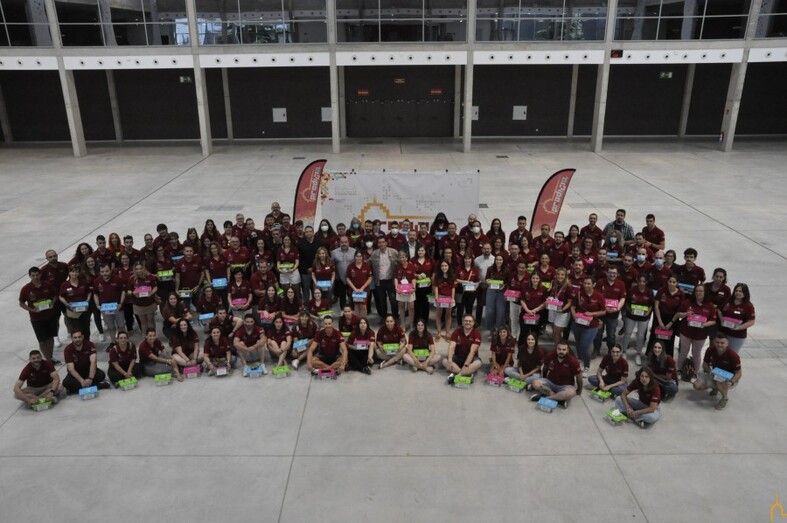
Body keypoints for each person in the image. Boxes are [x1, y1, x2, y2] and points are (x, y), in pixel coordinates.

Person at [19, 267, 59, 361]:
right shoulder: (26, 289)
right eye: (33, 275)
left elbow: (55, 295)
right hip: (37, 319)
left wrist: (52, 303)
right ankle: (48, 360)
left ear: (40, 274)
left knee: (50, 338)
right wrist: (32, 310)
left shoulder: (47, 285)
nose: (35, 277)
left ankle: (50, 357)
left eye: (37, 275)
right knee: (42, 341)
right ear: (29, 276)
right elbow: (21, 303)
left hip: (50, 316)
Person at [692, 334, 742, 410]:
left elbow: (739, 373)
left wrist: (731, 382)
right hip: (715, 372)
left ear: (727, 344)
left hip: (729, 376)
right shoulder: (710, 350)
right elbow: (705, 364)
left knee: (719, 382)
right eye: (717, 342)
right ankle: (715, 388)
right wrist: (709, 371)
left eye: (722, 343)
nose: (719, 345)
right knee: (697, 385)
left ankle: (724, 398)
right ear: (714, 342)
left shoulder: (733, 355)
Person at [675, 285, 717, 373]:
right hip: (686, 332)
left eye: (701, 291)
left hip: (700, 335)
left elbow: (713, 320)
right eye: (697, 291)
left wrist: (704, 324)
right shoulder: (687, 302)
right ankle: (679, 370)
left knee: (696, 354)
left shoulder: (710, 305)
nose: (698, 293)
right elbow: (678, 314)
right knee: (683, 352)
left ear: (705, 293)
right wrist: (686, 314)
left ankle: (695, 372)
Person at [529, 341, 582, 408]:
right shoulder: (550, 355)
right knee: (535, 383)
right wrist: (544, 379)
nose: (561, 351)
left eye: (564, 349)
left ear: (567, 350)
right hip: (551, 382)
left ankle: (544, 397)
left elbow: (579, 376)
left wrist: (579, 390)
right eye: (559, 349)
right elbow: (545, 367)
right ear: (556, 349)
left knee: (571, 393)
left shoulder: (573, 361)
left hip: (566, 386)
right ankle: (559, 400)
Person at [571, 277, 606, 373]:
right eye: (585, 283)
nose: (586, 285)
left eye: (588, 283)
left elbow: (604, 311)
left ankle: (586, 365)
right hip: (578, 323)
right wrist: (574, 316)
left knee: (585, 346)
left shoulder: (599, 296)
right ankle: (580, 359)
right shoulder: (579, 293)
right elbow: (573, 307)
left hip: (592, 325)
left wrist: (592, 314)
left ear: (593, 284)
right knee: (578, 343)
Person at [593, 266, 627, 358]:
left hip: (613, 315)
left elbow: (623, 298)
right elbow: (595, 296)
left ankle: (611, 351)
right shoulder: (600, 282)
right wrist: (604, 309)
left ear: (617, 274)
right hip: (600, 313)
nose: (612, 275)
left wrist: (617, 308)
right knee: (598, 334)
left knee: (611, 335)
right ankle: (596, 350)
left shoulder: (621, 284)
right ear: (607, 273)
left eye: (614, 273)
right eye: (610, 272)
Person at [621, 275, 655, 365]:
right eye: (640, 281)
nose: (641, 283)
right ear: (637, 281)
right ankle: (624, 351)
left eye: (643, 281)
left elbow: (651, 305)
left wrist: (648, 313)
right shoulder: (632, 290)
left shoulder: (649, 292)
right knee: (627, 333)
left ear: (646, 282)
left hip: (644, 317)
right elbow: (626, 303)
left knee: (640, 336)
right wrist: (630, 310)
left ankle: (638, 354)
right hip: (631, 316)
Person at [443, 315, 483, 383]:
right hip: (458, 357)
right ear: (462, 322)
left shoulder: (477, 334)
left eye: (470, 321)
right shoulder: (457, 331)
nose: (468, 322)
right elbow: (451, 346)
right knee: (444, 361)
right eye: (466, 321)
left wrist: (466, 364)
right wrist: (449, 359)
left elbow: (472, 352)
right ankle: (465, 374)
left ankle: (457, 375)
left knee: (478, 363)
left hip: (471, 359)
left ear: (473, 323)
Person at [649, 275, 684, 355]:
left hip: (672, 319)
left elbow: (679, 311)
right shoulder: (661, 290)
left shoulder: (681, 294)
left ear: (677, 283)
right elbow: (656, 306)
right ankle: (652, 356)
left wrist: (671, 323)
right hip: (659, 318)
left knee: (669, 340)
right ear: (667, 282)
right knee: (655, 338)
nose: (671, 283)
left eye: (674, 282)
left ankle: (667, 358)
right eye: (670, 281)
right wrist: (660, 322)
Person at [718, 283, 755, 353]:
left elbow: (751, 321)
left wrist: (738, 328)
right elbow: (719, 310)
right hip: (724, 332)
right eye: (736, 291)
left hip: (737, 335)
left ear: (745, 293)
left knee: (732, 354)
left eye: (740, 291)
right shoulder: (729, 300)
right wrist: (722, 320)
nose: (738, 293)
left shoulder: (748, 306)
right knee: (721, 353)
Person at [369, 236, 400, 319]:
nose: (381, 244)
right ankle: (384, 318)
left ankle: (395, 318)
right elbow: (368, 265)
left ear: (386, 243)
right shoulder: (374, 253)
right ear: (377, 244)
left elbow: (400, 263)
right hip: (379, 281)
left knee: (393, 301)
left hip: (391, 281)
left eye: (383, 242)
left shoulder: (394, 252)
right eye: (379, 242)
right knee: (382, 301)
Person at [59, 264, 92, 339]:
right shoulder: (65, 285)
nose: (74, 273)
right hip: (72, 311)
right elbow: (61, 296)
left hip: (84, 310)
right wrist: (66, 304)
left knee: (86, 330)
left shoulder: (83, 282)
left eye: (76, 272)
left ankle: (87, 343)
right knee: (76, 331)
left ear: (79, 273)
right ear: (69, 273)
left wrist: (87, 300)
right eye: (72, 271)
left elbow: (89, 292)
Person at [128, 262, 158, 334]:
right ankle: (145, 337)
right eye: (137, 269)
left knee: (151, 321)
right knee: (143, 322)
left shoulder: (150, 276)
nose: (139, 270)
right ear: (134, 270)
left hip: (149, 303)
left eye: (140, 268)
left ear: (144, 268)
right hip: (138, 304)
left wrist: (151, 293)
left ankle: (153, 336)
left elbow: (155, 287)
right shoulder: (131, 279)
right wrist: (133, 293)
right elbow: (128, 290)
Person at [547, 267, 573, 347]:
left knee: (557, 332)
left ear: (565, 276)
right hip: (553, 309)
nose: (560, 276)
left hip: (562, 312)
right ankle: (560, 347)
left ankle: (557, 350)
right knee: (554, 332)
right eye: (558, 274)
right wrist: (549, 300)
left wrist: (562, 309)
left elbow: (569, 303)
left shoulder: (568, 286)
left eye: (562, 275)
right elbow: (552, 295)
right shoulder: (554, 283)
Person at [519, 272, 547, 344]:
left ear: (540, 279)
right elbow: (522, 300)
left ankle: (534, 348)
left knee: (535, 333)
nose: (535, 280)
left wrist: (535, 310)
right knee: (523, 332)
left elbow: (545, 302)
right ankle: (521, 348)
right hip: (525, 313)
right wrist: (527, 310)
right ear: (530, 279)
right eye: (533, 278)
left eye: (537, 278)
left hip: (538, 314)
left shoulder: (544, 289)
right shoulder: (525, 287)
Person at [484, 254, 508, 332]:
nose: (498, 261)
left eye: (500, 260)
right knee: (490, 311)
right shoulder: (490, 269)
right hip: (491, 291)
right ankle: (491, 329)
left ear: (503, 261)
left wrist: (504, 285)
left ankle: (498, 329)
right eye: (497, 259)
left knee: (500, 311)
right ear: (495, 260)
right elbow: (486, 279)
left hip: (502, 292)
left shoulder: (506, 270)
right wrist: (488, 281)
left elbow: (508, 282)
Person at [331, 235, 356, 310]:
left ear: (348, 242)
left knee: (352, 296)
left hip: (352, 279)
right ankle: (343, 311)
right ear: (339, 243)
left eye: (345, 242)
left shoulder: (354, 251)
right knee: (342, 297)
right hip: (340, 279)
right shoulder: (334, 252)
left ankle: (352, 310)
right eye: (342, 242)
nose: (344, 244)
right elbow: (332, 265)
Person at [393, 250, 416, 331]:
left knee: (411, 308)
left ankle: (411, 324)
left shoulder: (411, 266)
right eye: (400, 257)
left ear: (406, 258)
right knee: (401, 307)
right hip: (400, 290)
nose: (402, 259)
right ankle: (402, 324)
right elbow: (395, 278)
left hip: (410, 290)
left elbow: (413, 278)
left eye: (403, 257)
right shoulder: (397, 266)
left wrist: (414, 288)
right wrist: (396, 288)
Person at [432, 260, 456, 339]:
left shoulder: (452, 276)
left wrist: (452, 298)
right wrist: (436, 297)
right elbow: (436, 287)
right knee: (438, 314)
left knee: (448, 315)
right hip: (440, 297)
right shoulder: (437, 276)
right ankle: (439, 332)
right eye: (442, 266)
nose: (444, 267)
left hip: (449, 298)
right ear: (440, 267)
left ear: (448, 266)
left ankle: (447, 332)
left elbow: (453, 288)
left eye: (445, 266)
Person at [455, 252, 480, 327]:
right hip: (460, 292)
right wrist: (464, 282)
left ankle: (468, 324)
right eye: (465, 259)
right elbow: (455, 279)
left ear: (471, 260)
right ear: (463, 260)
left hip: (471, 293)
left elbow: (477, 281)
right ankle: (459, 325)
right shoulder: (459, 268)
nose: (467, 260)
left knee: (469, 309)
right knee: (460, 309)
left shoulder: (475, 269)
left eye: (469, 259)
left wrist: (475, 287)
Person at [411, 245, 434, 324]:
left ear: (425, 251)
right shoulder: (413, 260)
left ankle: (425, 321)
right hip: (416, 287)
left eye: (422, 250)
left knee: (426, 304)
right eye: (419, 250)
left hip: (427, 286)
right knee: (417, 304)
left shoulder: (430, 260)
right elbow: (410, 273)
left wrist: (432, 281)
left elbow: (434, 272)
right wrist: (417, 275)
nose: (420, 252)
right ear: (416, 251)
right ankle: (416, 322)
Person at [346, 250, 372, 319]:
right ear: (354, 257)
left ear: (362, 257)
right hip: (354, 291)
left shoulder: (366, 265)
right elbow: (347, 278)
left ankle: (363, 321)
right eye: (357, 256)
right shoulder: (350, 266)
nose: (359, 258)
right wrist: (355, 289)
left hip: (364, 291)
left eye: (360, 256)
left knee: (363, 306)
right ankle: (356, 321)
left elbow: (370, 278)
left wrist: (362, 288)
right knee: (356, 307)